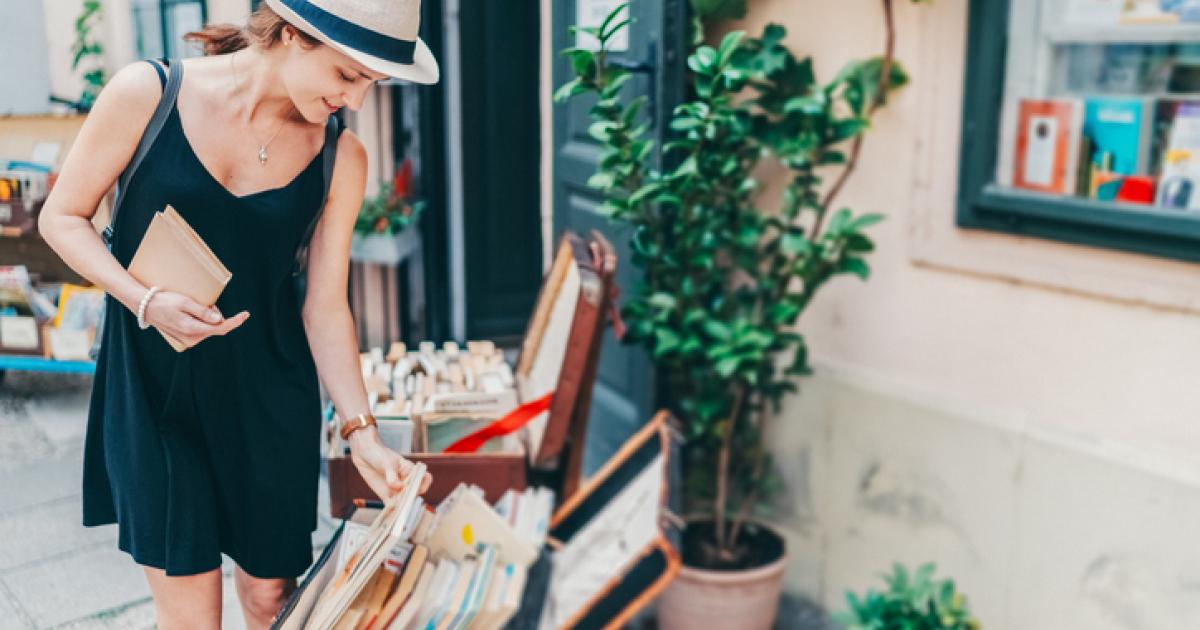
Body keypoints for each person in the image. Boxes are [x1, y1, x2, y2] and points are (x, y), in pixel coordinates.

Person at [37, 1, 438, 628]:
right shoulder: (148, 95)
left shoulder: (342, 158)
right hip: (153, 391)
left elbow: (327, 305)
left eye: (370, 84)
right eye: (348, 75)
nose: (356, 100)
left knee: (270, 601)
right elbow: (61, 217)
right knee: (194, 616)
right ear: (291, 35)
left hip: (269, 399)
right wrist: (143, 300)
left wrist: (363, 434)